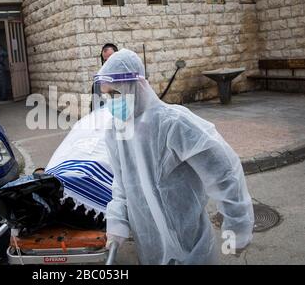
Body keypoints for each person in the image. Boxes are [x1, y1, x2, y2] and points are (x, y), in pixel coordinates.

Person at [93, 49, 254, 265]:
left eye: (116, 93)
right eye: (106, 95)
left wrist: (237, 227)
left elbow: (224, 172)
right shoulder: (116, 132)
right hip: (149, 249)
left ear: (137, 86)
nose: (110, 101)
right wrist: (116, 224)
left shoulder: (173, 123)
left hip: (192, 247)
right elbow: (121, 186)